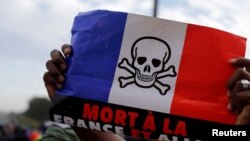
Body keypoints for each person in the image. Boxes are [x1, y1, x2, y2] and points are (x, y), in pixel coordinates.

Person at [42, 44, 250, 140]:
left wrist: (240, 128)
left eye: (155, 63)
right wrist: (76, 107)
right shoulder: (62, 136)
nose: (148, 70)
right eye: (141, 61)